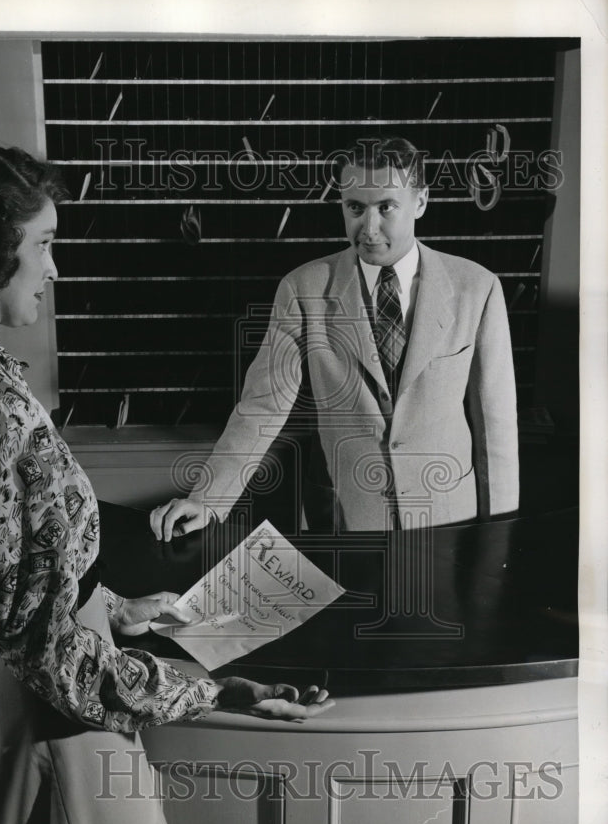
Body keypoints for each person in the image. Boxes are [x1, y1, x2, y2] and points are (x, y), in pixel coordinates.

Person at [0, 138, 334, 824]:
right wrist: (214, 693)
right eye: (44, 245)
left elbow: (4, 576)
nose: (55, 270)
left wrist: (114, 606)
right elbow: (47, 652)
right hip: (54, 725)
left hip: (4, 694)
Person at [151, 136, 519, 540]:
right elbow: (261, 406)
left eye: (386, 207)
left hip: (450, 521)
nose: (369, 228)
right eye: (355, 208)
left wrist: (500, 534)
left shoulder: (477, 288)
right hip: (345, 521)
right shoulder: (303, 289)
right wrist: (207, 499)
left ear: (421, 202)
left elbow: (495, 428)